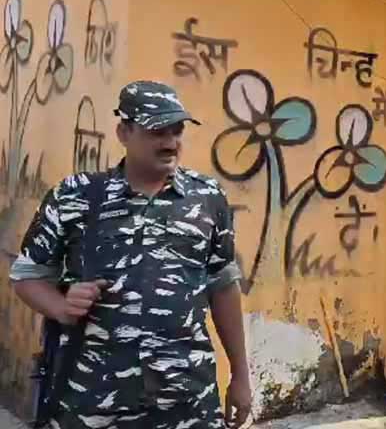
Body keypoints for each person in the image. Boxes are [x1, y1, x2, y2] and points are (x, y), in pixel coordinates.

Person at [10, 81, 251, 429]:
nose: (170, 142)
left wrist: (240, 377)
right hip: (93, 399)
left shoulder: (207, 197)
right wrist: (61, 306)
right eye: (156, 131)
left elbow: (223, 286)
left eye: (177, 130)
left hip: (186, 400)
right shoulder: (76, 197)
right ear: (124, 132)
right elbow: (26, 276)